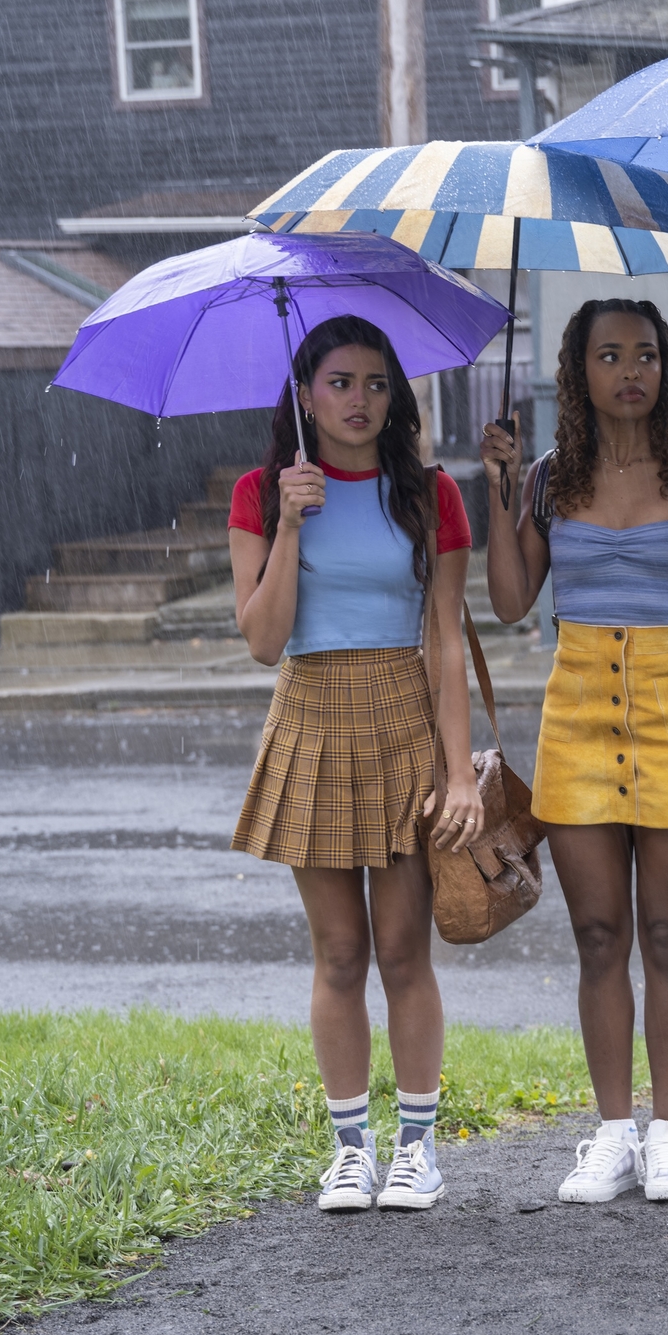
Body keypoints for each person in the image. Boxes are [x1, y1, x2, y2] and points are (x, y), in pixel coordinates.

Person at [481, 298, 668, 1204]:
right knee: (599, 937)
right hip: (576, 717)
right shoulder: (551, 480)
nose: (629, 370)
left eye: (644, 354)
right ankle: (611, 1134)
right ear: (581, 371)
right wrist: (498, 486)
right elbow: (515, 600)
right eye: (609, 355)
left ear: (666, 368)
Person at [229, 315, 482, 1214]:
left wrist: (459, 774)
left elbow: (446, 639)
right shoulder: (263, 491)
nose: (359, 400)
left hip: (402, 714)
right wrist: (291, 525)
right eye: (339, 382)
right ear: (303, 394)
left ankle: (418, 1147)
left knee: (405, 948)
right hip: (309, 715)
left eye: (376, 383)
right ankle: (351, 1149)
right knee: (339, 953)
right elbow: (262, 641)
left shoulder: (430, 495)